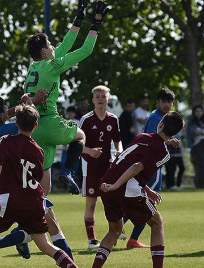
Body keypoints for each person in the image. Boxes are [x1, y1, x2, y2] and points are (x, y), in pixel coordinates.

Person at [0, 105, 78, 268]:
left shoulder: (6, 140)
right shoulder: (38, 150)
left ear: (17, 124)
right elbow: (37, 178)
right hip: (33, 201)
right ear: (35, 126)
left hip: (9, 200)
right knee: (46, 246)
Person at [24, 0, 109, 195]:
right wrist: (96, 23)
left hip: (34, 129)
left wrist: (78, 20)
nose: (55, 47)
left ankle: (31, 222)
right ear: (44, 51)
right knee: (80, 135)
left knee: (44, 189)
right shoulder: (53, 66)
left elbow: (64, 47)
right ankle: (69, 171)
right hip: (51, 123)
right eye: (50, 45)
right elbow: (86, 49)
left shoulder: (33, 66)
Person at [91, 111, 184, 268]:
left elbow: (131, 163)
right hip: (124, 187)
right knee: (157, 222)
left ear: (160, 125)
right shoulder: (164, 153)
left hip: (107, 182)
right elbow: (137, 167)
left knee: (114, 230)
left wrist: (146, 190)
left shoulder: (142, 137)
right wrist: (117, 186)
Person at [123, 88, 175, 249]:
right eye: (164, 101)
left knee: (147, 203)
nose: (167, 104)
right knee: (147, 203)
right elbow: (155, 142)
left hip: (151, 166)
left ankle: (132, 238)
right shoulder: (156, 118)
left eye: (169, 101)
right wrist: (171, 141)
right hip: (150, 168)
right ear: (158, 102)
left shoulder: (159, 116)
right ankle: (120, 230)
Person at [79, 85, 122, 249]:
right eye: (97, 97)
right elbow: (76, 144)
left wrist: (119, 151)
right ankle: (91, 240)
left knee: (112, 200)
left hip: (107, 165)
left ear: (108, 100)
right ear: (92, 100)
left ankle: (116, 232)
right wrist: (89, 151)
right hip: (90, 166)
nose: (100, 99)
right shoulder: (86, 120)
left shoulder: (113, 119)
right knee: (91, 202)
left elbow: (118, 140)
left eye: (103, 97)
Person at [187, 105, 204, 189]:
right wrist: (202, 133)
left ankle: (202, 183)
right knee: (200, 165)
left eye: (200, 111)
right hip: (196, 146)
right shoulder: (191, 122)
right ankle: (199, 183)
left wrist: (203, 133)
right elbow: (191, 134)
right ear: (194, 112)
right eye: (196, 111)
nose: (198, 113)